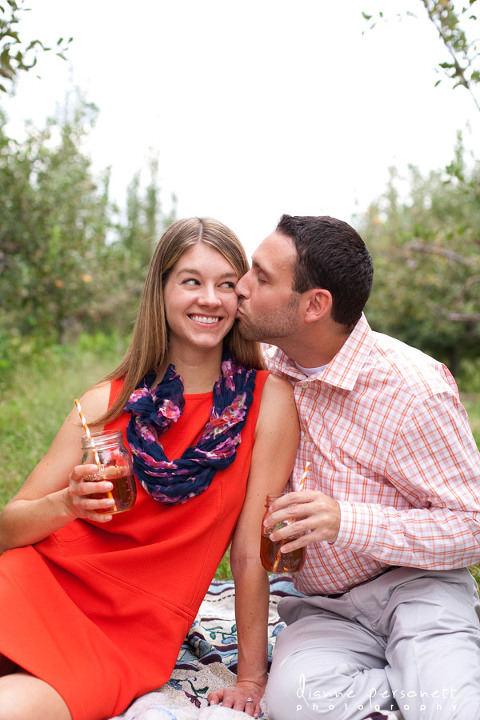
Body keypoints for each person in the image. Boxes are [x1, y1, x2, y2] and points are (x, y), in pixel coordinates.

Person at [0, 217, 299, 720]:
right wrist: (66, 503)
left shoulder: (267, 401)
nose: (210, 298)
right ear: (160, 291)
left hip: (124, 638)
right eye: (191, 281)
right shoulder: (105, 403)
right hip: (34, 583)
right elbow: (9, 527)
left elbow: (250, 552)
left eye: (227, 284)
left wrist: (251, 676)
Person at [234, 214, 480, 720]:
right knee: (294, 704)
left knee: (451, 711)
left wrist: (347, 522)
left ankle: (433, 676)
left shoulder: (413, 389)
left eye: (261, 277)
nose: (241, 287)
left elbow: (472, 525)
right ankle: (415, 679)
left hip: (417, 587)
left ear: (314, 305)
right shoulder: (264, 363)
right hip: (326, 607)